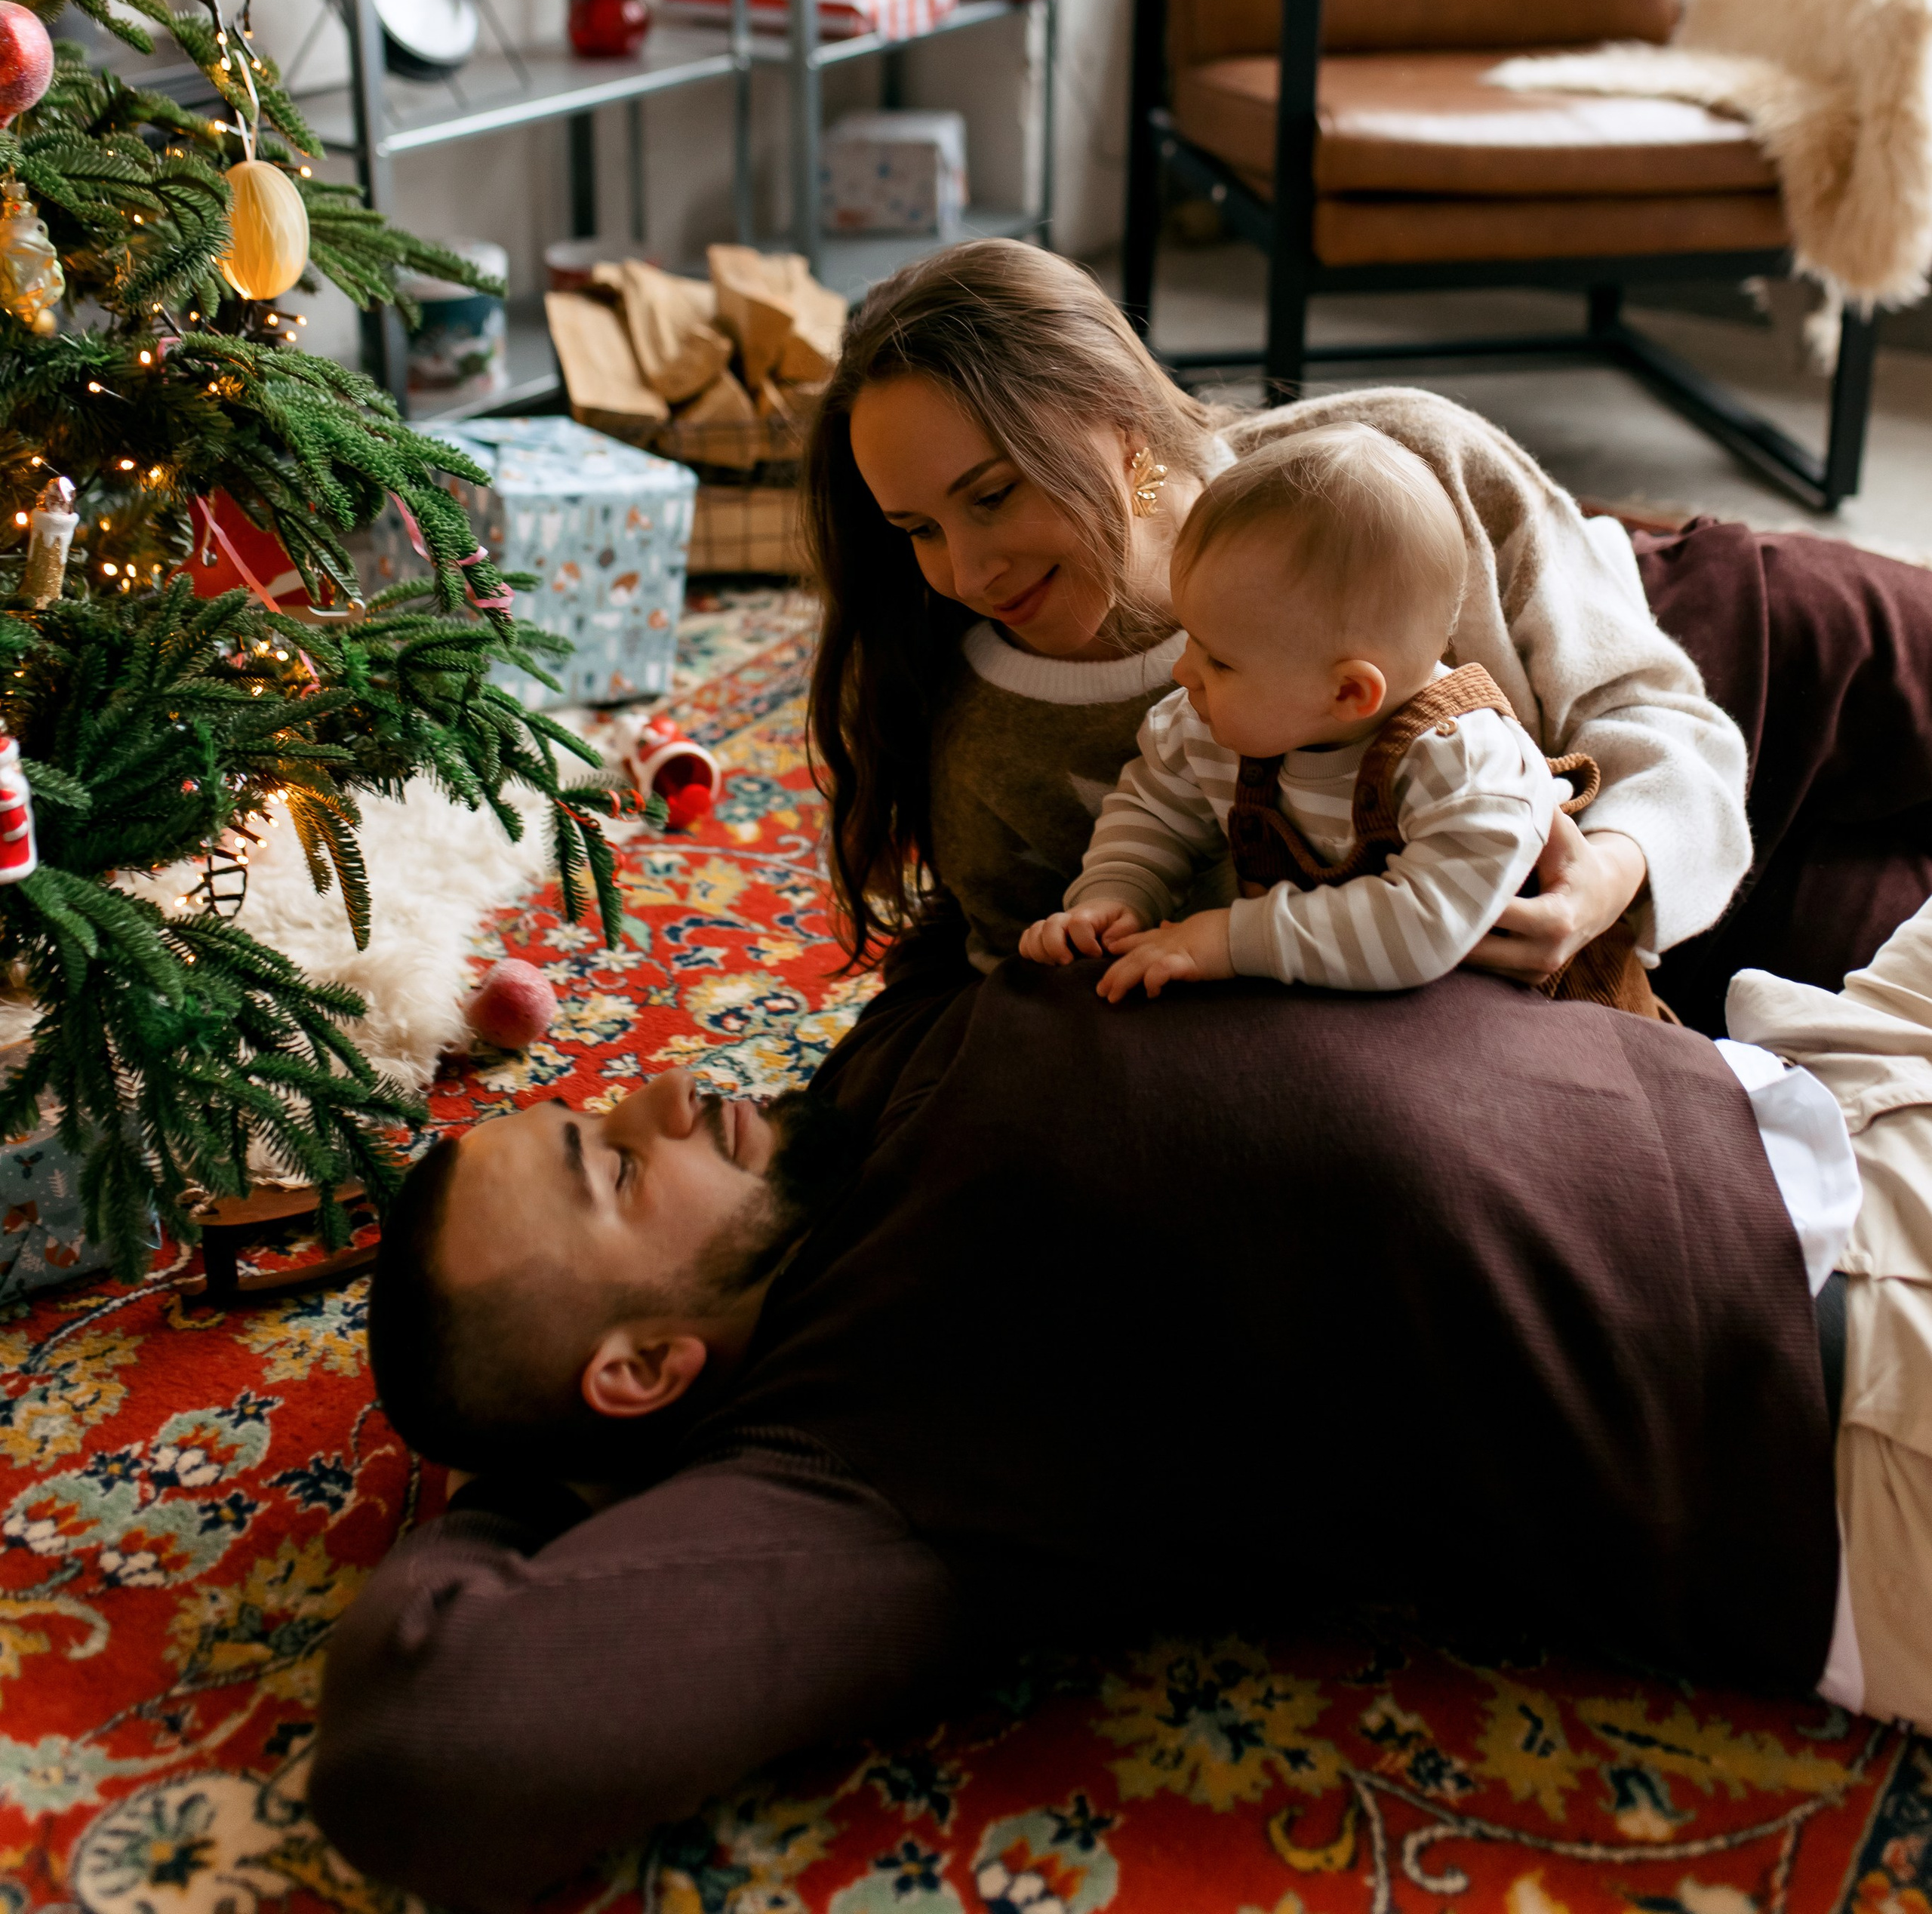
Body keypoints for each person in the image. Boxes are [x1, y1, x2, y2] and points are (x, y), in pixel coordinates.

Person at [312, 926, 1927, 1909]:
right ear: (644, 1371)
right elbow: (435, 1758)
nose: (660, 1091)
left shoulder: (846, 1128)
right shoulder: (853, 1459)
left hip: (1804, 1068)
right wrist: (554, 1483)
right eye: (613, 1170)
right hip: (1850, 1366)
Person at [803, 242, 1932, 1030]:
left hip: (1710, 702)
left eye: (993, 495)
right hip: (1569, 998)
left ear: (1116, 415)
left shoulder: (1403, 455)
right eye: (916, 528)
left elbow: (1654, 710)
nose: (964, 571)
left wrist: (1612, 883)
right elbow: (1070, 1022)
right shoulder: (993, 751)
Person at [1020, 426, 1586, 1003]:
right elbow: (1152, 813)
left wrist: (1227, 939)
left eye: (1218, 660)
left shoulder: (1466, 766)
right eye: (1190, 639)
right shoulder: (1206, 729)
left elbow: (1419, 928)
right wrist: (1115, 895)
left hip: (1539, 1009)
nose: (1182, 673)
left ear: (1346, 694)